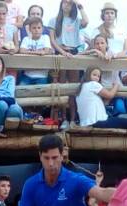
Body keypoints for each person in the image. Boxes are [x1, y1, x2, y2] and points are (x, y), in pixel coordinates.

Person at [49, 0, 88, 128]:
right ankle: (63, 118)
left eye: (70, 3)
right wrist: (62, 52)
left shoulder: (75, 20)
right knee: (61, 87)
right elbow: (53, 40)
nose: (67, 5)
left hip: (73, 54)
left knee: (73, 88)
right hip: (61, 54)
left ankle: (72, 119)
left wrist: (79, 5)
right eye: (65, 2)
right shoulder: (54, 20)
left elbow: (86, 21)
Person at [18, 17, 53, 85]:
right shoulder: (26, 39)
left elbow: (46, 50)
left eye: (39, 28)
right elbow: (21, 50)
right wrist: (38, 52)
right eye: (34, 28)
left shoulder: (45, 37)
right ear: (30, 29)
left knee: (40, 93)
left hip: (42, 76)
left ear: (42, 29)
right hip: (27, 74)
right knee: (21, 90)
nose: (36, 30)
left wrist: (28, 51)